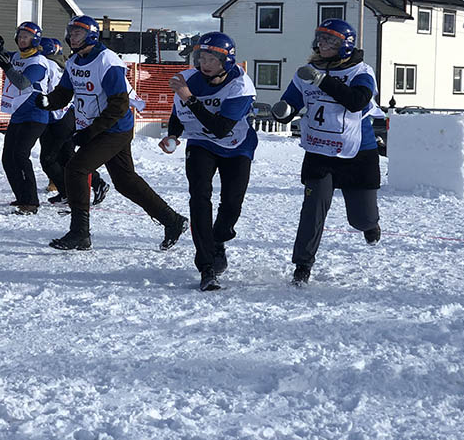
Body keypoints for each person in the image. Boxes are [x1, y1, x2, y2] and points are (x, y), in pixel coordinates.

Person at [38, 15, 188, 251]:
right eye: (71, 32)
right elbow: (64, 93)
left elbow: (119, 106)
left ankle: (80, 233)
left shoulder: (107, 61)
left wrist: (90, 133)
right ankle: (173, 220)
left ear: (91, 35)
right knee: (125, 182)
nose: (72, 36)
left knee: (76, 168)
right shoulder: (76, 61)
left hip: (114, 128)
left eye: (77, 32)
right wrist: (47, 102)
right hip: (97, 127)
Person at [271, 19, 384, 286]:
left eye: (330, 42)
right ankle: (302, 265)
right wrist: (284, 111)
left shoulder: (361, 72)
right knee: (312, 209)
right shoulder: (307, 71)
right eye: (320, 39)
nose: (322, 45)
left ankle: (370, 225)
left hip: (357, 152)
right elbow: (293, 100)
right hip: (319, 151)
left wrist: (322, 80)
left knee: (360, 217)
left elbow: (356, 102)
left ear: (345, 46)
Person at [159, 32, 258, 292]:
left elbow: (220, 128)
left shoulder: (240, 86)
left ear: (226, 61)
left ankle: (219, 239)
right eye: (201, 57)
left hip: (236, 145)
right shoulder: (189, 79)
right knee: (199, 196)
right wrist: (173, 134)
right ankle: (206, 265)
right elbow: (178, 112)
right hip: (201, 144)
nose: (205, 63)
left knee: (232, 204)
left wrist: (189, 97)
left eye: (212, 58)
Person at [37, 37, 110, 208]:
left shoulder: (50, 66)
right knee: (68, 158)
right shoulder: (66, 65)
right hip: (68, 115)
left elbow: (53, 93)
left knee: (49, 159)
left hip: (59, 117)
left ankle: (67, 192)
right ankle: (96, 183)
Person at [0, 21, 50, 215]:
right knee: (8, 158)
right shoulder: (18, 56)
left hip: (35, 115)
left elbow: (23, 83)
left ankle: (31, 201)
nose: (22, 40)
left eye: (26, 37)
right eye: (20, 36)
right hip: (18, 114)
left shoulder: (38, 62)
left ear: (35, 40)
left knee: (20, 155)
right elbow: (8, 59)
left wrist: (6, 67)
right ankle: (22, 196)